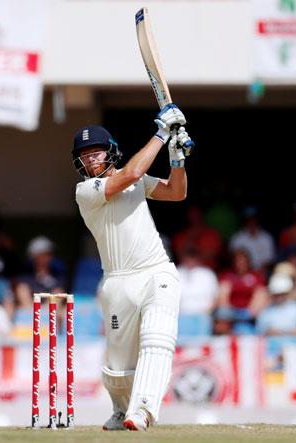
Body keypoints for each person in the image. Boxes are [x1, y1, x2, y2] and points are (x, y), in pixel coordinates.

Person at [72, 105, 193, 431]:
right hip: (116, 282)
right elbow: (132, 173)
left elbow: (176, 192)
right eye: (85, 155)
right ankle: (120, 409)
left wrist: (177, 158)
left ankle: (142, 411)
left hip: (156, 271)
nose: (91, 159)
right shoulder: (86, 192)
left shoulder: (133, 180)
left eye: (96, 152)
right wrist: (161, 135)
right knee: (118, 364)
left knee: (157, 339)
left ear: (110, 152)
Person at [172, 205, 222, 270]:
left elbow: (212, 255)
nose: (194, 217)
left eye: (196, 214)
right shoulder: (180, 236)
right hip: (185, 272)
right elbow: (179, 256)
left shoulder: (211, 234)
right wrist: (190, 238)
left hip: (207, 270)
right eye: (192, 214)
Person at [229, 207, 275, 272]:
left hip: (262, 271)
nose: (251, 222)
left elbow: (269, 260)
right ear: (245, 221)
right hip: (241, 272)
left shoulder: (266, 238)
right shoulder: (237, 238)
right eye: (249, 219)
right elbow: (234, 259)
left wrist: (257, 272)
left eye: (253, 219)